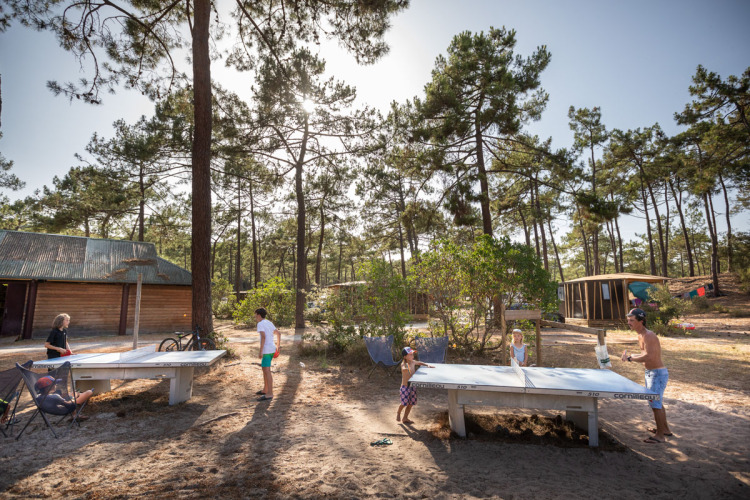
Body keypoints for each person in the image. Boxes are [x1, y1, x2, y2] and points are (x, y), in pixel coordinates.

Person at [621, 308, 672, 443]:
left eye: (632, 320)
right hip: (651, 373)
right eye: (628, 320)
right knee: (656, 403)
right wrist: (630, 357)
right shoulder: (640, 335)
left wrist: (631, 359)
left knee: (655, 404)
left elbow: (650, 357)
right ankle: (665, 429)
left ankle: (660, 436)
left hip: (657, 374)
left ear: (641, 321)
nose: (629, 323)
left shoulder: (649, 335)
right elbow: (644, 354)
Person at [396, 347, 434, 425]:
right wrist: (405, 369)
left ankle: (405, 418)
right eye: (410, 355)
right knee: (404, 403)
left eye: (412, 354)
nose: (412, 356)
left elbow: (419, 363)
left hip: (412, 387)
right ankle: (398, 413)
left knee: (410, 404)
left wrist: (427, 365)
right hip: (405, 387)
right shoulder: (404, 364)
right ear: (405, 357)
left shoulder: (413, 362)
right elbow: (404, 368)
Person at [255, 308, 281, 402]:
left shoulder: (260, 324)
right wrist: (278, 346)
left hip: (266, 350)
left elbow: (263, 337)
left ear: (258, 315)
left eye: (255, 315)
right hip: (272, 349)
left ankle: (269, 393)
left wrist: (261, 351)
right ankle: (265, 390)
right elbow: (278, 333)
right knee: (264, 369)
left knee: (267, 371)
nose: (255, 317)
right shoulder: (269, 322)